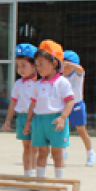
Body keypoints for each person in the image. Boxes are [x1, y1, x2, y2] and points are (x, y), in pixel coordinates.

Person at [24, 40, 75, 178]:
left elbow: (70, 101)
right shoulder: (37, 84)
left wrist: (63, 117)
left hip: (56, 120)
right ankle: (40, 181)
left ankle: (59, 182)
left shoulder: (63, 82)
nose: (38, 68)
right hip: (39, 121)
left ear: (54, 63)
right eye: (37, 64)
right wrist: (28, 122)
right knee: (41, 152)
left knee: (57, 153)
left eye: (42, 63)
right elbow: (33, 105)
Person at [1, 44, 39, 177]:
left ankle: (35, 174)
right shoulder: (18, 83)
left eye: (24, 65)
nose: (20, 69)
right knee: (26, 147)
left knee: (35, 147)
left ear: (35, 65)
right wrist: (7, 120)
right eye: (18, 66)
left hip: (35, 118)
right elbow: (13, 102)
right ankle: (28, 174)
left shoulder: (40, 83)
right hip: (22, 117)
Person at [62, 51, 96, 167]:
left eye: (66, 66)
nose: (64, 68)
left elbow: (80, 68)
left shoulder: (77, 75)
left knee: (81, 131)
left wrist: (68, 63)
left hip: (77, 106)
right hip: (65, 105)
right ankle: (62, 150)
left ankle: (90, 153)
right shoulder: (60, 77)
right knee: (61, 128)